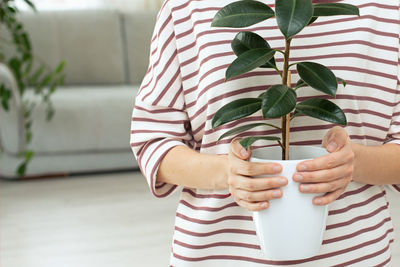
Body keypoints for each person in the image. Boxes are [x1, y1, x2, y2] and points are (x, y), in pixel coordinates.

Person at [130, 0, 400, 265]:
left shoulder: (388, 10)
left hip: (354, 254)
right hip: (219, 254)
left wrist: (353, 162)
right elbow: (153, 140)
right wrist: (229, 173)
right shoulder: (187, 8)